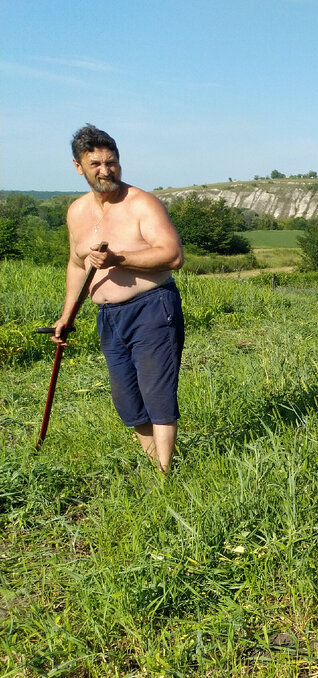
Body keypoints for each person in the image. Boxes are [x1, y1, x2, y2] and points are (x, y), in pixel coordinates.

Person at [54, 125, 185, 473]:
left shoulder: (141, 203)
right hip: (109, 316)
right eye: (95, 163)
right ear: (78, 166)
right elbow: (76, 263)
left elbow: (172, 256)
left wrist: (118, 259)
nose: (105, 169)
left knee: (157, 393)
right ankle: (157, 463)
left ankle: (165, 475)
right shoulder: (77, 212)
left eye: (111, 162)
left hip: (152, 307)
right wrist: (67, 315)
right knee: (127, 399)